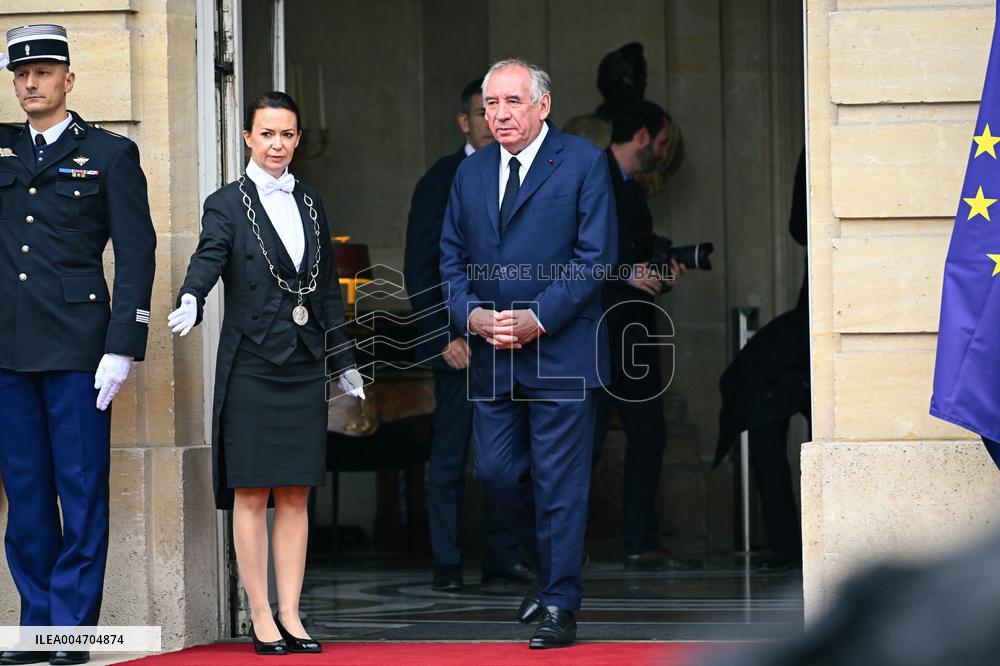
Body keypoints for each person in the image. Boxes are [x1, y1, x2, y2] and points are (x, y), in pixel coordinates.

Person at [168, 91, 364, 656]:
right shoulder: (226, 203)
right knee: (253, 493)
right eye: (267, 134)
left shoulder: (312, 202)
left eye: (287, 134)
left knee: (296, 494)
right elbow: (209, 255)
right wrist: (192, 296)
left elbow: (327, 294)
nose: (277, 144)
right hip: (253, 365)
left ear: (298, 139)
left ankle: (291, 614)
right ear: (248, 138)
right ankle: (260, 615)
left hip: (303, 363)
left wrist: (344, 362)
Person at [439, 58, 617, 649]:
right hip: (493, 352)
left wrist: (539, 316)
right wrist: (469, 314)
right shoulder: (471, 172)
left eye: (513, 101)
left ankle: (560, 603)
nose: (500, 114)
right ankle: (553, 565)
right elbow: (451, 258)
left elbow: (595, 258)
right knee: (495, 472)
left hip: (562, 351)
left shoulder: (584, 161)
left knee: (560, 481)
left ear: (543, 106)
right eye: (492, 103)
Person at [0, 25, 156, 666]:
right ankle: (38, 626)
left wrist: (123, 345)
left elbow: (138, 254)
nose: (30, 83)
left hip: (77, 348)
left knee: (81, 490)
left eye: (42, 72)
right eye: (20, 74)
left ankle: (71, 632)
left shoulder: (110, 154)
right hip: (9, 349)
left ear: (68, 79)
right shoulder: (2, 150)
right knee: (26, 494)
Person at [404, 79, 532, 592]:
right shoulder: (440, 180)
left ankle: (502, 557)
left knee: (505, 456)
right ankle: (447, 562)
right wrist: (443, 335)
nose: (494, 119)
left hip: (510, 342)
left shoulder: (522, 172)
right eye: (483, 111)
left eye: (504, 107)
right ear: (465, 120)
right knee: (451, 456)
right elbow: (422, 267)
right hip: (457, 346)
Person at [594, 100, 701, 572]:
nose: (663, 152)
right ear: (641, 136)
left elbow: (632, 260)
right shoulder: (592, 178)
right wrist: (626, 272)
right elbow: (570, 254)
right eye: (660, 142)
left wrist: (661, 272)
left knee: (650, 436)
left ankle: (641, 543)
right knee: (586, 442)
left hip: (635, 332)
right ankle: (551, 549)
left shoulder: (631, 188)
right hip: (598, 331)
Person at [713, 149, 809, 571]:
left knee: (776, 453)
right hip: (768, 377)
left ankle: (794, 548)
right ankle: (788, 549)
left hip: (786, 364)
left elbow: (798, 227)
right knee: (769, 455)